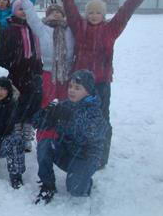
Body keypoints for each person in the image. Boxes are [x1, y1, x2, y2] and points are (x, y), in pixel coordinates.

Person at [55, 0, 154, 167]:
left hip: (101, 82)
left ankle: (100, 157)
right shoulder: (79, 27)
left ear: (103, 14)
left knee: (102, 119)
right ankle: (74, 152)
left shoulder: (111, 29)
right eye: (90, 12)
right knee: (74, 116)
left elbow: (124, 13)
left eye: (97, 12)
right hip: (79, 84)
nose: (93, 15)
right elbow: (71, 7)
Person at [33, 70, 108, 204]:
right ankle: (48, 185)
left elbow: (87, 132)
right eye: (70, 87)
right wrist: (47, 112)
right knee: (45, 144)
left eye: (77, 88)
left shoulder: (95, 111)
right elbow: (36, 123)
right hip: (67, 152)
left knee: (75, 190)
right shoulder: (66, 105)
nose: (72, 91)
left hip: (85, 158)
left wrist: (69, 117)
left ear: (88, 91)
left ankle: (85, 180)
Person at [0, 0, 43, 153]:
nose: (23, 12)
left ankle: (27, 131)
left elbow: (40, 50)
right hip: (16, 72)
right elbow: (3, 52)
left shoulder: (35, 28)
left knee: (32, 101)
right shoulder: (9, 29)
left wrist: (39, 68)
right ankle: (16, 129)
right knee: (17, 102)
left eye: (26, 9)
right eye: (20, 9)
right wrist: (10, 64)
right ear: (14, 11)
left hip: (34, 71)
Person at [21, 0, 74, 108]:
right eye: (53, 12)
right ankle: (47, 124)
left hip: (66, 72)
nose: (56, 14)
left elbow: (77, 18)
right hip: (49, 72)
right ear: (47, 15)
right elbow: (32, 18)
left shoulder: (69, 29)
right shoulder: (42, 28)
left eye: (59, 12)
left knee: (66, 101)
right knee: (47, 100)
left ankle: (63, 123)